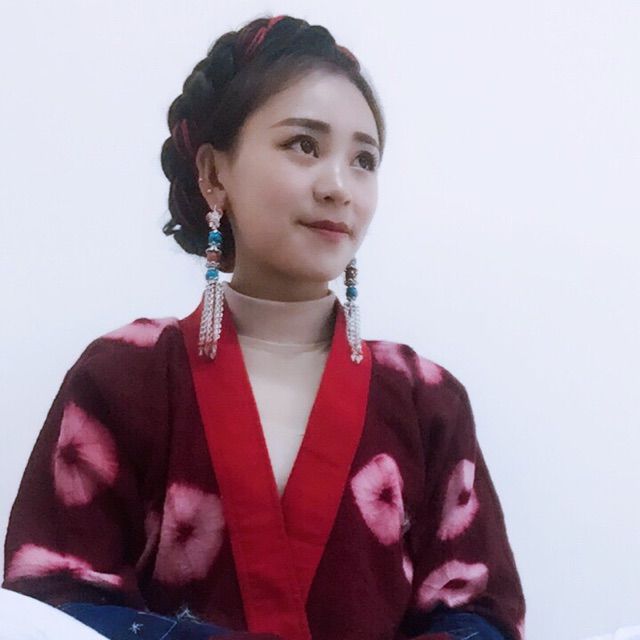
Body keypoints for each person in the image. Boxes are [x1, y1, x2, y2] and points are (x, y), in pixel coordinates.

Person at [2, 14, 526, 640]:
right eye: (303, 145)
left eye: (364, 159)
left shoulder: (427, 400)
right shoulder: (122, 378)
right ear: (213, 173)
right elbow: (51, 603)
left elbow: (478, 612)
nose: (339, 187)